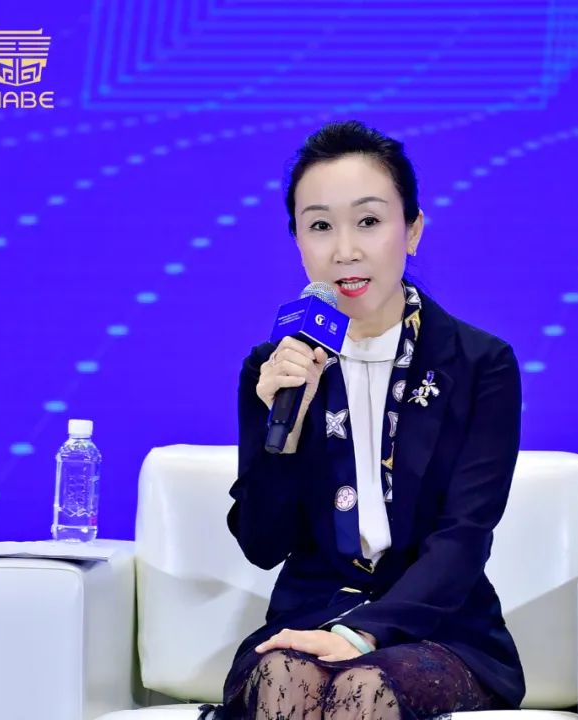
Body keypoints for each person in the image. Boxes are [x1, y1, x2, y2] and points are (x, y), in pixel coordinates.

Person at [199, 120, 525, 720]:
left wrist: (361, 635)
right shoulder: (273, 369)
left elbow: (464, 537)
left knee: (364, 687)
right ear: (298, 241)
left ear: (413, 229)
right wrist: (282, 431)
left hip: (440, 629)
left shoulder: (480, 364)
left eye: (369, 221)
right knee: (286, 675)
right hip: (311, 616)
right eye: (320, 226)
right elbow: (263, 545)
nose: (344, 250)